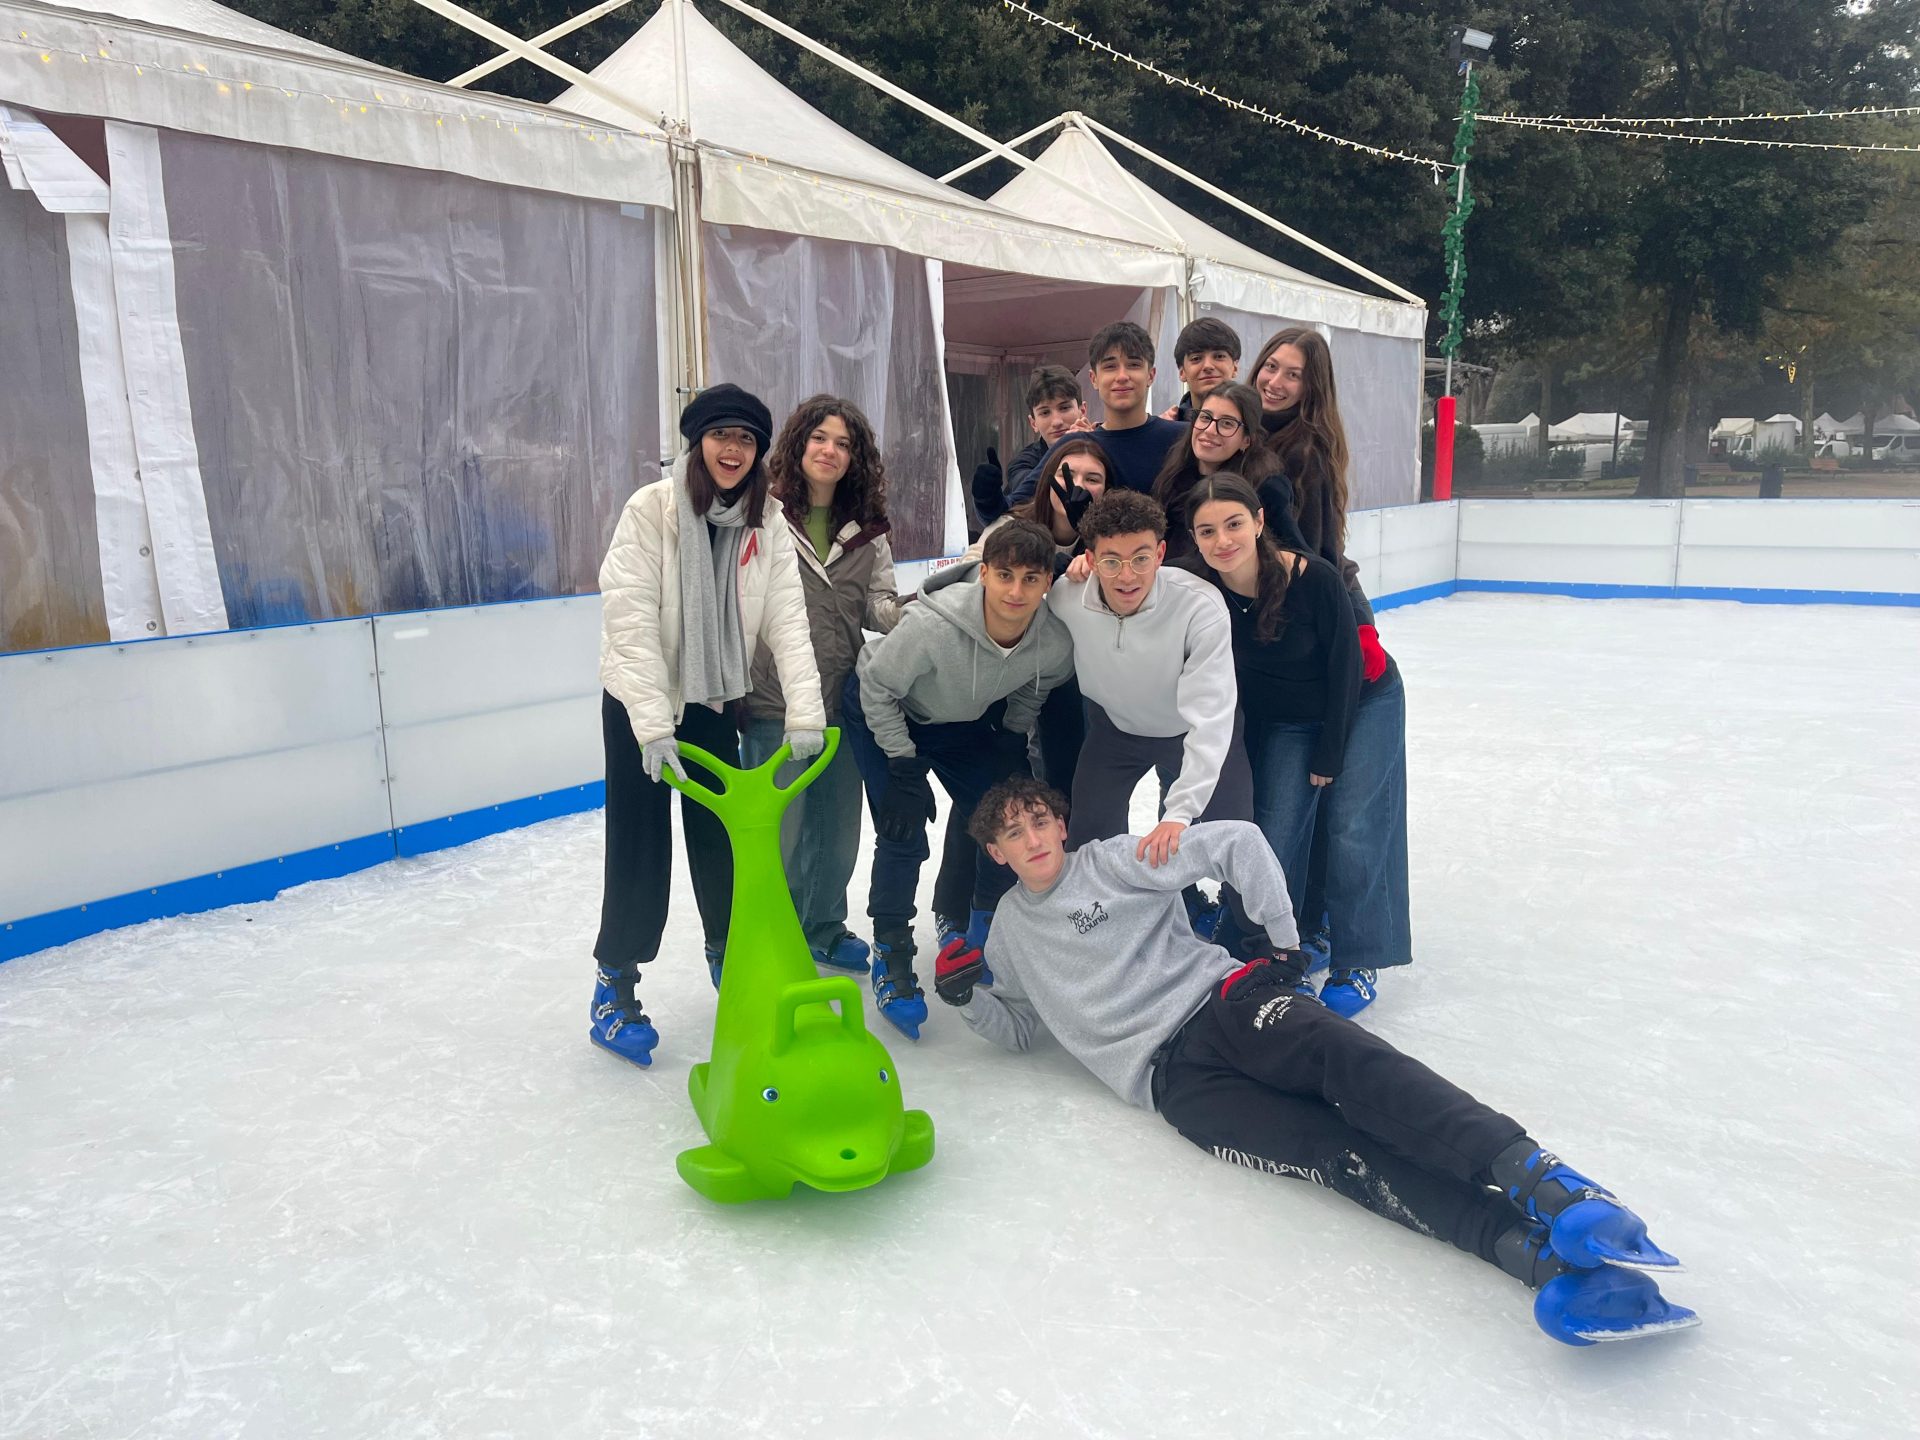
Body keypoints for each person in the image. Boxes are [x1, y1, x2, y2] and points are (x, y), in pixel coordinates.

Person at [933, 778, 1699, 1348]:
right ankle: (1528, 1256)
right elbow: (1021, 1029)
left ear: (1061, 824)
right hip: (1174, 1084)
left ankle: (1547, 1183)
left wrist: (1282, 944)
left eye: (1040, 820)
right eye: (1013, 833)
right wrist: (967, 999)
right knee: (1335, 1155)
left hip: (1224, 1004)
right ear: (996, 853)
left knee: (1349, 1061)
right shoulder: (1009, 936)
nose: (1033, 838)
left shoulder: (1115, 862)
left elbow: (1236, 841)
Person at [592, 383, 825, 1067]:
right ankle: (615, 986)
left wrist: (806, 713)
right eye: (722, 435)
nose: (733, 449)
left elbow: (788, 620)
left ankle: (736, 963)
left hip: (714, 698)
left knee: (725, 840)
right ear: (698, 443)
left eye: (747, 439)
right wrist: (649, 726)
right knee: (639, 843)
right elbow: (630, 620)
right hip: (640, 702)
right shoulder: (652, 510)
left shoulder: (766, 521)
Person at [842, 519, 1076, 1039]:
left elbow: (1034, 687)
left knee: (1003, 822)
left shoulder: (1054, 643)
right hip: (888, 710)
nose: (1016, 591)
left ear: (1047, 582)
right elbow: (876, 687)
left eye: (1031, 579)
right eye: (1005, 575)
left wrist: (1011, 734)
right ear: (984, 573)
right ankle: (892, 951)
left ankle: (983, 930)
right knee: (902, 830)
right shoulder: (931, 627)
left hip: (960, 721)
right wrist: (902, 763)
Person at [1253, 327, 1412, 1014]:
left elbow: (1315, 557)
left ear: (1312, 389)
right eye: (1270, 366)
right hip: (1293, 646)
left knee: (1351, 821)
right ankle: (1300, 933)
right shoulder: (1244, 436)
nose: (1275, 381)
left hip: (1335, 637)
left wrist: (1341, 621)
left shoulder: (1303, 451)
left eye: (1292, 374)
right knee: (1285, 820)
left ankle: (1357, 953)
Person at [1184, 475, 1367, 1006]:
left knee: (1280, 837)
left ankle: (1283, 950)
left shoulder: (1313, 579)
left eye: (1234, 524)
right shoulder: (1196, 583)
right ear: (1194, 539)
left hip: (1305, 724)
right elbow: (1133, 573)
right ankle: (1248, 937)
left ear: (1260, 521)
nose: (1223, 540)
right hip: (1244, 726)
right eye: (1207, 531)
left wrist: (1331, 748)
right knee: (1239, 831)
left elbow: (1346, 665)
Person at [739, 395, 904, 978]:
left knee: (837, 831)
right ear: (798, 444)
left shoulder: (868, 531)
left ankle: (824, 927)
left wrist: (917, 611)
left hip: (840, 700)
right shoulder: (761, 516)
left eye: (844, 443)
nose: (830, 451)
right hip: (772, 703)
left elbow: (879, 604)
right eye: (819, 438)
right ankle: (774, 930)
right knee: (780, 830)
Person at [1050, 490, 1249, 856]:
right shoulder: (1066, 597)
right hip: (1114, 730)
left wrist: (1181, 811)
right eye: (1111, 561)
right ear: (1090, 559)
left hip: (1192, 728)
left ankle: (1237, 901)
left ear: (1159, 554)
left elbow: (1212, 716)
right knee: (1089, 844)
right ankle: (1108, 899)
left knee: (1234, 838)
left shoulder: (1200, 607)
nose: (1127, 576)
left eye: (1141, 558)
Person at [1009, 322, 1186, 504]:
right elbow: (1012, 504)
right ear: (1093, 378)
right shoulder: (1075, 444)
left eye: (1133, 365)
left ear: (1151, 375)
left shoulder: (1183, 438)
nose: (1122, 376)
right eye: (1110, 366)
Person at [1150, 381, 1301, 564]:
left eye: (1227, 423)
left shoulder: (1265, 487)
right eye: (1205, 417)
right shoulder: (1174, 475)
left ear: (1246, 440)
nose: (1210, 430)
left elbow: (1294, 556)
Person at [971, 364, 1092, 530]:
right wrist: (985, 500)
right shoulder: (1023, 463)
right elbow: (1018, 501)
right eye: (1045, 412)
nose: (1057, 421)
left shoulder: (1103, 447)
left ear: (1082, 410)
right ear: (1033, 423)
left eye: (1064, 408)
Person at [1159, 316, 1241, 422]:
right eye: (1196, 358)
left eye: (1219, 356)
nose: (1208, 366)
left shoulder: (1254, 425)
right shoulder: (1168, 427)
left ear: (1235, 367)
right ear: (1182, 372)